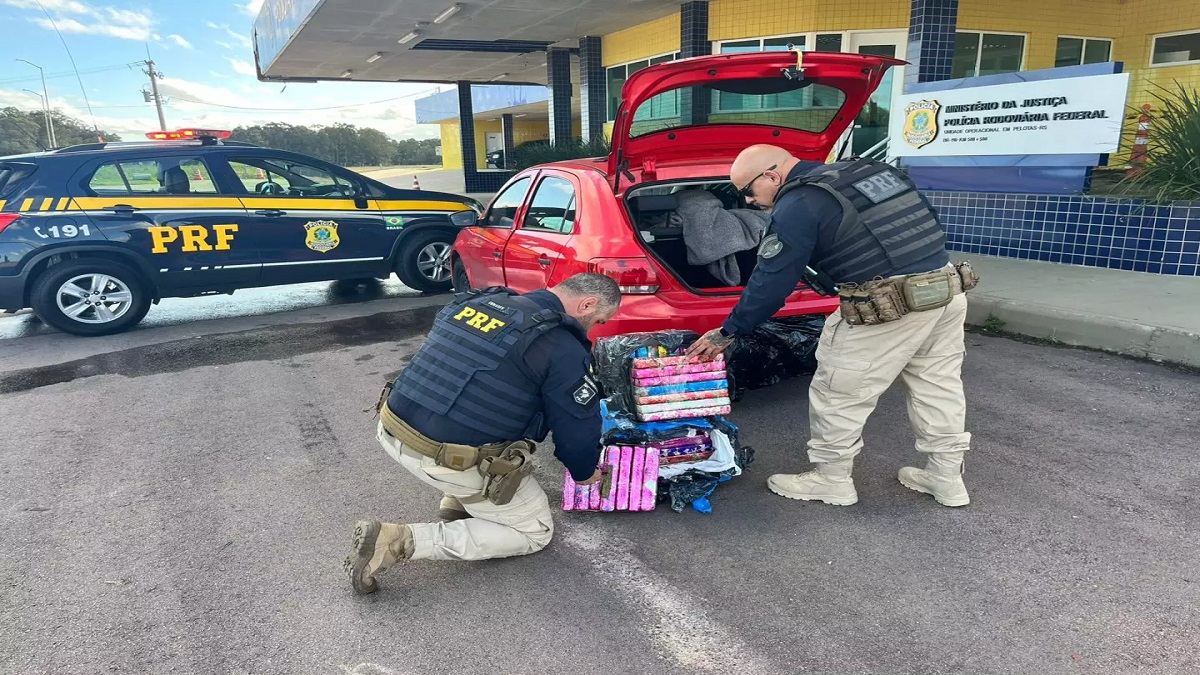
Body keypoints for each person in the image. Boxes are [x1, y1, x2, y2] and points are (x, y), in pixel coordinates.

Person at [688, 144, 977, 508]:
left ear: (773, 175)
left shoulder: (800, 202)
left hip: (887, 307)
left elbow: (773, 280)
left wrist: (728, 331)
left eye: (747, 190)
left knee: (838, 392)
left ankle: (831, 479)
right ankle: (946, 477)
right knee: (938, 386)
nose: (747, 202)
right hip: (945, 291)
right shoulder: (872, 172)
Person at [343, 273, 621, 594]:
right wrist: (586, 473)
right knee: (534, 532)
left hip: (391, 427)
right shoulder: (560, 346)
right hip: (441, 457)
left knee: (512, 404)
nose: (594, 327)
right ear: (588, 303)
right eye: (598, 319)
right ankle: (397, 541)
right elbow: (575, 433)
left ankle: (461, 500)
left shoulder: (476, 302)